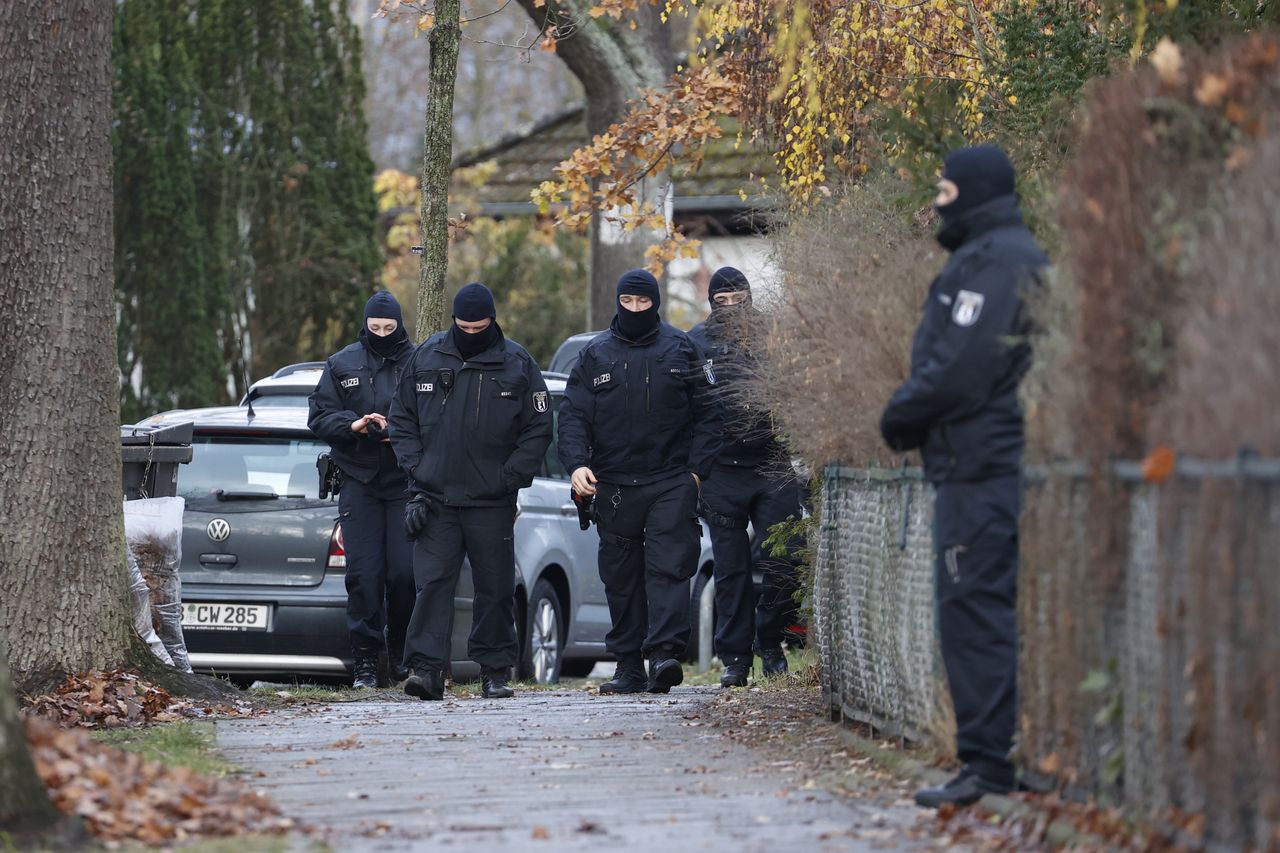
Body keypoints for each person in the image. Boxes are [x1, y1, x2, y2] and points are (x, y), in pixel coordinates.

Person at [879, 144, 1048, 808]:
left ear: (973, 192)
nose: (937, 202)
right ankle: (987, 755)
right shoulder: (987, 258)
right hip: (971, 462)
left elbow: (964, 365)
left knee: (975, 607)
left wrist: (903, 414)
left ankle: (989, 762)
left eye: (944, 191)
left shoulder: (999, 262)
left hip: (984, 463)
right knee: (971, 607)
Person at [557, 269, 723, 695]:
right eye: (627, 302)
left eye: (642, 303)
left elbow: (710, 414)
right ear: (617, 302)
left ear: (655, 303)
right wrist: (576, 465)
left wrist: (695, 475)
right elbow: (573, 416)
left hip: (671, 480)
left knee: (669, 566)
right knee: (621, 575)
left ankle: (664, 655)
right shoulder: (595, 355)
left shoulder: (681, 349)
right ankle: (628, 664)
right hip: (613, 483)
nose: (634, 310)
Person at [388, 283, 552, 701]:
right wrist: (416, 468)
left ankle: (495, 671)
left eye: (479, 326)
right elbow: (401, 418)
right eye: (464, 325)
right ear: (454, 321)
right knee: (432, 587)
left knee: (494, 588)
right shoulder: (426, 357)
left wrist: (509, 477)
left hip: (490, 501)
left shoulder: (518, 363)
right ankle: (425, 671)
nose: (471, 331)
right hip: (435, 498)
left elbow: (538, 429)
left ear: (492, 321)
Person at [688, 267, 806, 688]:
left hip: (772, 465)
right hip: (721, 470)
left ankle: (770, 642)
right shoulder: (696, 343)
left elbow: (799, 388)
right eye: (723, 300)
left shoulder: (774, 335)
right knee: (730, 570)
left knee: (785, 558)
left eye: (738, 299)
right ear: (711, 302)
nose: (731, 307)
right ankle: (735, 658)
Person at [308, 291, 416, 689]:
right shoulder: (342, 362)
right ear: (366, 324)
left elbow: (432, 418)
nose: (383, 334)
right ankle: (367, 662)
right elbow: (318, 416)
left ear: (400, 326)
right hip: (359, 481)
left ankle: (403, 655)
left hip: (405, 480)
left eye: (390, 328)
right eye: (376, 328)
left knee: (405, 575)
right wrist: (353, 425)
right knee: (364, 576)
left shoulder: (417, 361)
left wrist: (395, 430)